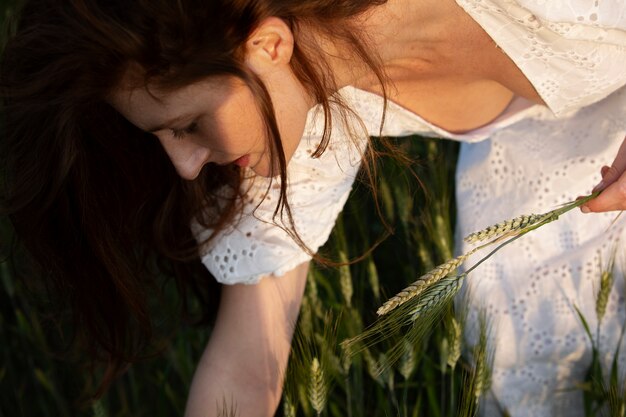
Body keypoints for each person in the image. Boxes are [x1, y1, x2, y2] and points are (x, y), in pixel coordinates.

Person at [1, 0, 625, 416]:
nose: (187, 165)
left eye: (188, 125)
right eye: (161, 136)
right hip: (569, 163)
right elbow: (247, 368)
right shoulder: (293, 115)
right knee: (549, 374)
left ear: (266, 44)